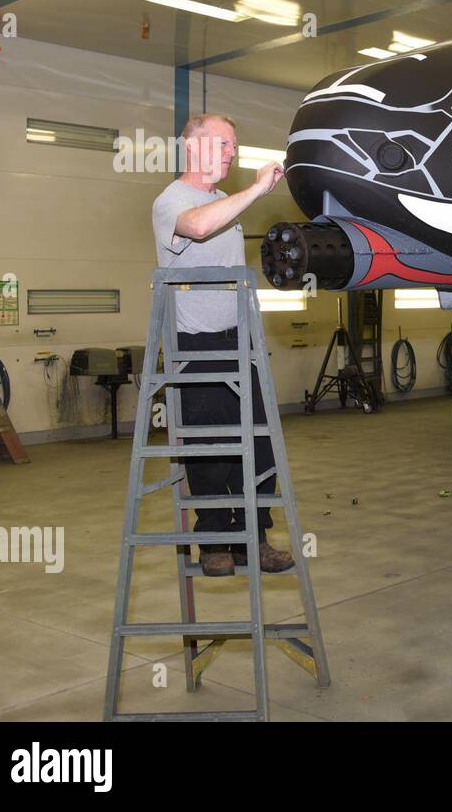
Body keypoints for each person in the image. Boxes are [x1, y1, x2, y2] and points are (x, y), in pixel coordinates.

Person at [150, 113, 294, 577]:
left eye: (234, 145)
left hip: (240, 340)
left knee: (257, 445)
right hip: (196, 344)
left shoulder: (222, 204)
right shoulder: (172, 200)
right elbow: (195, 227)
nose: (233, 152)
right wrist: (254, 192)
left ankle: (254, 539)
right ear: (193, 146)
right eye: (226, 144)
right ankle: (213, 540)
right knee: (209, 446)